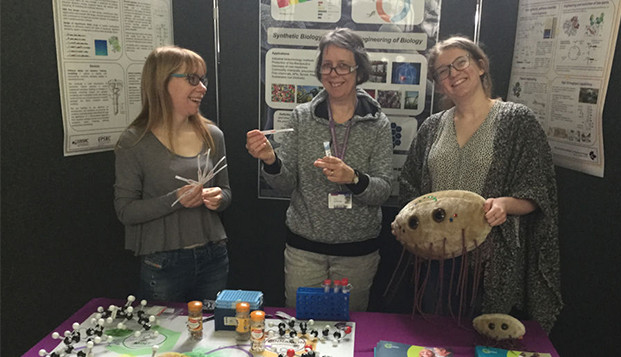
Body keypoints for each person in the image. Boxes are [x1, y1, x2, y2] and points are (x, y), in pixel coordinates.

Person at [398, 35, 562, 331]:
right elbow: (410, 186)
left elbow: (538, 190)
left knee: (485, 339)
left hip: (490, 260)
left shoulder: (516, 121)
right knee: (436, 337)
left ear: (481, 65)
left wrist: (504, 205)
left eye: (460, 62)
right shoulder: (432, 126)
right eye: (443, 71)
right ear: (438, 82)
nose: (453, 74)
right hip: (437, 259)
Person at [246, 28, 392, 311]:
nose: (334, 73)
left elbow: (383, 191)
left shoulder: (378, 123)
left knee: (347, 332)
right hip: (305, 252)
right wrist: (270, 160)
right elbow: (285, 184)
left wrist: (353, 178)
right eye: (327, 65)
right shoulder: (302, 116)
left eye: (343, 66)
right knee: (301, 331)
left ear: (359, 69)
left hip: (357, 254)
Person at [114, 46, 231, 302]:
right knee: (164, 338)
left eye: (203, 79)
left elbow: (226, 193)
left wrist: (218, 198)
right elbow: (125, 211)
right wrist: (175, 199)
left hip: (213, 257)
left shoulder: (212, 135)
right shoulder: (134, 142)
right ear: (161, 82)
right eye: (192, 79)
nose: (202, 88)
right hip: (163, 263)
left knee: (213, 336)